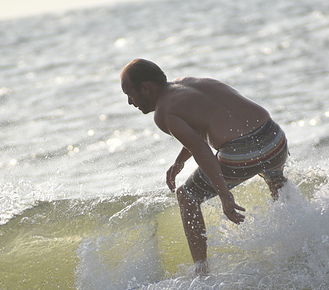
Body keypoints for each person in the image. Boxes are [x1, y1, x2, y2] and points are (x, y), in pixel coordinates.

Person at [120, 58, 288, 274]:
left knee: (187, 196)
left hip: (242, 152)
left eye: (129, 94)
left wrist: (225, 195)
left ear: (145, 88)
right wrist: (180, 160)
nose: (130, 102)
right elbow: (206, 124)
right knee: (275, 181)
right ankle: (297, 240)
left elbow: (201, 150)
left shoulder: (164, 112)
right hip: (274, 137)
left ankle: (202, 273)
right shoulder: (190, 82)